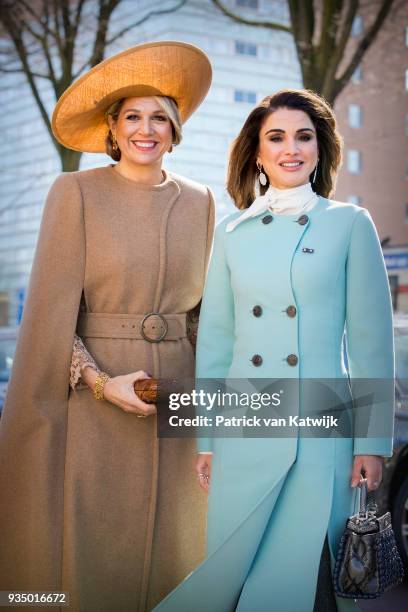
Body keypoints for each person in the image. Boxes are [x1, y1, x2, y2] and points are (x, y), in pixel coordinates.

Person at [154, 89, 395, 612]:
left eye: (303, 136)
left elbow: (371, 341)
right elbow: (217, 347)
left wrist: (371, 442)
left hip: (319, 433)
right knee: (228, 577)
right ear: (257, 153)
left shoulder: (350, 223)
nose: (292, 148)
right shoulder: (232, 234)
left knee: (305, 584)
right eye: (277, 137)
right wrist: (208, 441)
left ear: (319, 148)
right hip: (245, 430)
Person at [0, 41, 215, 611]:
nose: (147, 130)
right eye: (133, 117)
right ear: (113, 130)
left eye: (160, 118)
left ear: (175, 130)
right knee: (94, 565)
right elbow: (48, 319)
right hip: (95, 410)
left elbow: (203, 319)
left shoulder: (202, 202)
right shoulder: (74, 193)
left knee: (179, 559)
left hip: (179, 408)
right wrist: (100, 383)